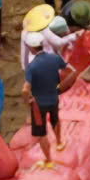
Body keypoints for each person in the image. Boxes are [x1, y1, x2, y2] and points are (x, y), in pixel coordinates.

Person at [25, 33, 71, 165]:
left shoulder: (32, 66)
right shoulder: (55, 58)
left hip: (38, 104)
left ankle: (49, 160)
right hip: (53, 98)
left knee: (41, 133)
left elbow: (25, 88)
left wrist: (27, 99)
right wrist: (62, 86)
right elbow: (70, 71)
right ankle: (59, 143)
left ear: (32, 48)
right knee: (55, 119)